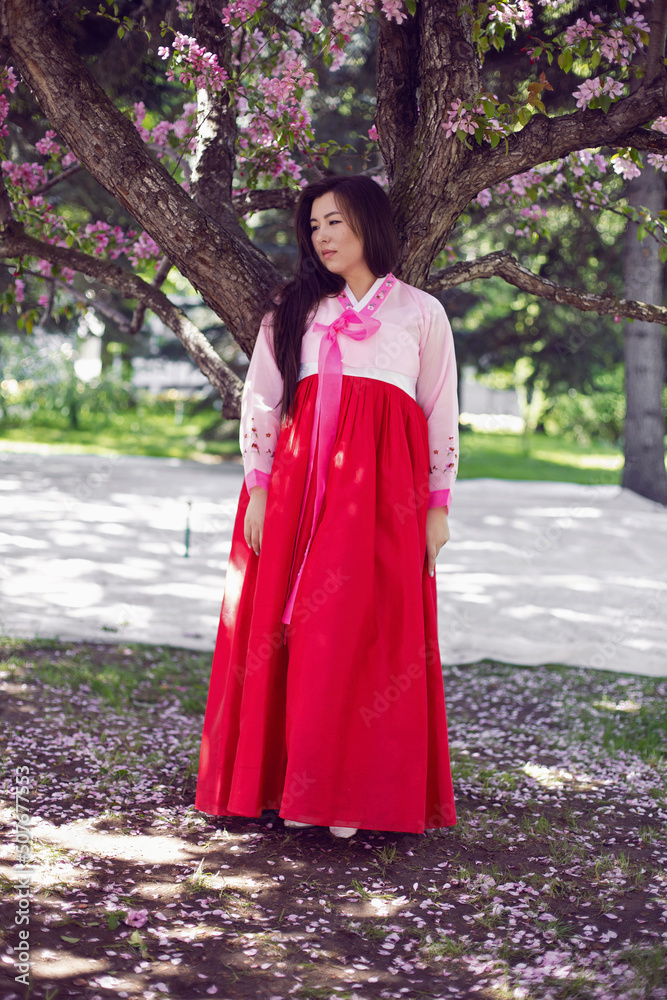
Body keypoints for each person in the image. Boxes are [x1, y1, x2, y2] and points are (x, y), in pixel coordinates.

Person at [195, 174, 459, 839]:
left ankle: (351, 792)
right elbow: (262, 398)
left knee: (363, 635)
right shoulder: (294, 308)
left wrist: (436, 507)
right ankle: (288, 786)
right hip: (296, 496)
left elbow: (438, 413)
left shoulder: (420, 312)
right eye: (313, 226)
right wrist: (258, 488)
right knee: (296, 634)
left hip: (383, 500)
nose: (322, 236)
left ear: (367, 223)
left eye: (334, 221)